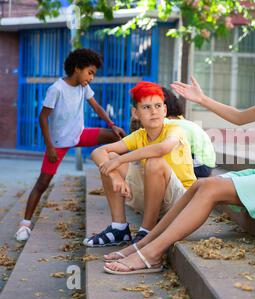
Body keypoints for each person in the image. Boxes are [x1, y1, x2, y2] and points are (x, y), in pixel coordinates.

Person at [101, 40, 255, 274]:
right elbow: (239, 117)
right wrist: (202, 99)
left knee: (210, 189)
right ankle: (142, 244)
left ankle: (152, 255)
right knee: (201, 185)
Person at [15, 48, 126, 242]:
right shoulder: (56, 89)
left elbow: (97, 107)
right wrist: (49, 147)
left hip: (80, 134)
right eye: (90, 72)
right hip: (58, 143)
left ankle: (125, 175)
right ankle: (25, 225)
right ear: (77, 68)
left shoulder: (83, 87)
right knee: (42, 183)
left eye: (93, 74)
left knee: (117, 137)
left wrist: (112, 125)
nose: (91, 78)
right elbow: (42, 118)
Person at [83, 81, 196, 248]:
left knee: (154, 162)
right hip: (155, 199)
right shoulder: (139, 135)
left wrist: (121, 160)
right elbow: (98, 152)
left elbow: (162, 148)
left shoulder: (174, 129)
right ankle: (119, 228)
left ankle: (147, 231)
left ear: (165, 110)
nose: (154, 111)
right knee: (109, 158)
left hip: (182, 202)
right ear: (135, 113)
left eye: (158, 106)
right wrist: (115, 177)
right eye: (146, 107)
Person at [129, 87, 216, 177]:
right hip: (205, 163)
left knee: (157, 162)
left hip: (201, 165)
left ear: (164, 108)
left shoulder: (168, 124)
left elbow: (161, 149)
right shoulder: (180, 121)